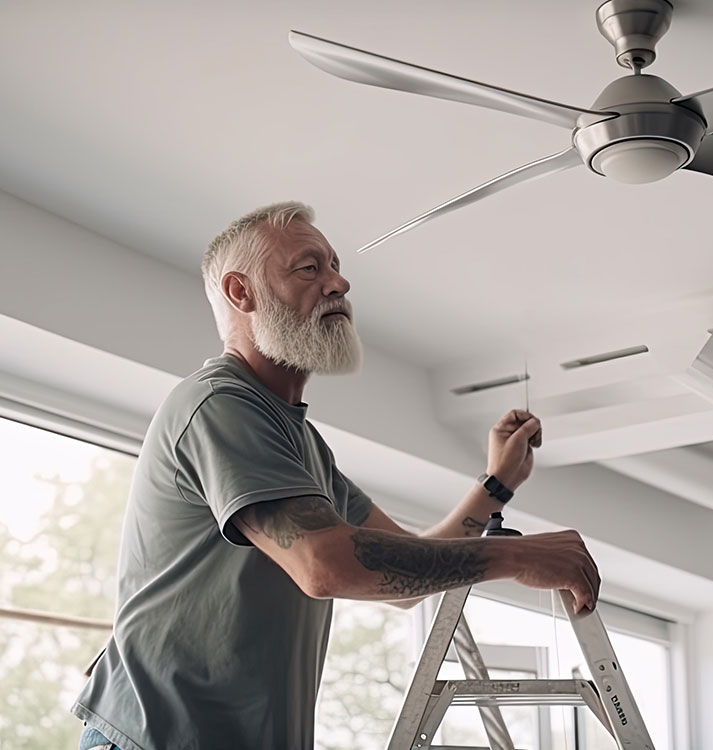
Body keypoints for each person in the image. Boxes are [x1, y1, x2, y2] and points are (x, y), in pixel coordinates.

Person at [72, 201, 599, 750]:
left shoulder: (300, 444)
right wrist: (517, 557)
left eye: (336, 266)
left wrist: (497, 486)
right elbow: (326, 565)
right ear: (240, 292)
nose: (338, 283)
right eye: (309, 268)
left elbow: (399, 577)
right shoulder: (220, 405)